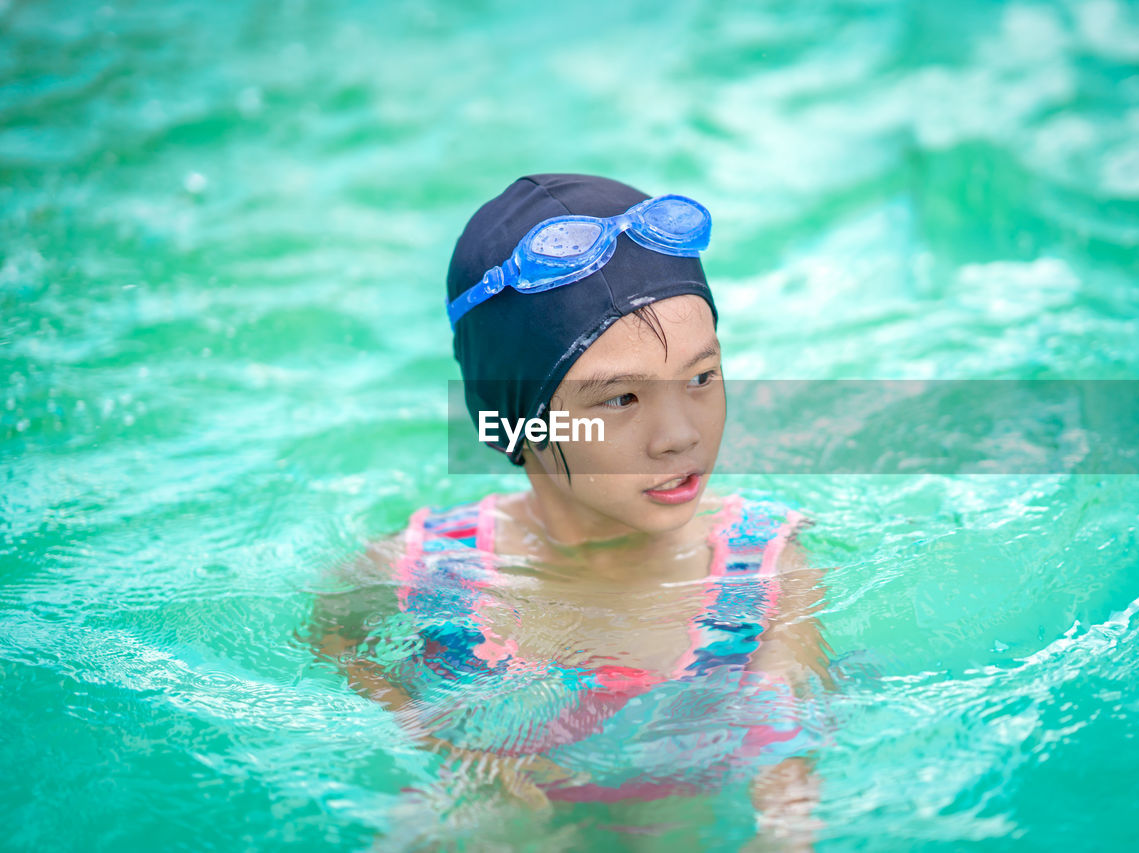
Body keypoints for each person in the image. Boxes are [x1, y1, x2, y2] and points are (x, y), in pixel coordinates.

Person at [311, 174, 831, 848]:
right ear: (517, 424)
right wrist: (433, 733)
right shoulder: (425, 567)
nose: (680, 433)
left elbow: (787, 767)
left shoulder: (764, 570)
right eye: (620, 399)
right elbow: (333, 637)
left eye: (701, 377)